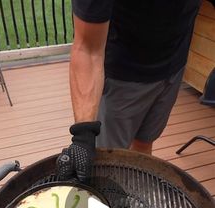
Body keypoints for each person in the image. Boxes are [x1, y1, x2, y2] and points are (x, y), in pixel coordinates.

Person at [57, 0, 204, 182]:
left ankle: (138, 194)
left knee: (144, 142)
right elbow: (88, 49)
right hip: (122, 76)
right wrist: (83, 134)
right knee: (107, 163)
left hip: (174, 65)